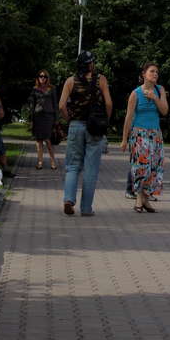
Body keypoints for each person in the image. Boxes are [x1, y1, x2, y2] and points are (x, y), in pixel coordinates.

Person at [58, 50, 112, 216]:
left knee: (72, 166)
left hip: (75, 126)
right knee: (91, 169)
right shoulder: (100, 80)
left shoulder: (70, 81)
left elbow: (61, 106)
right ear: (91, 64)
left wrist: (70, 119)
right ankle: (86, 209)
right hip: (94, 128)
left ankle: (68, 199)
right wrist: (105, 121)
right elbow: (109, 103)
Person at [120, 62, 168, 213]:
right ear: (144, 74)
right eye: (152, 71)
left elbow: (164, 111)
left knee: (154, 167)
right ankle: (139, 198)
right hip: (139, 134)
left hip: (155, 134)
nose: (155, 74)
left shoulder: (160, 90)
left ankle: (146, 198)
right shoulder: (136, 93)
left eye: (157, 72)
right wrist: (124, 139)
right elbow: (128, 117)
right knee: (142, 167)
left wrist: (155, 98)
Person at [27, 70, 58, 170]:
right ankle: (40, 162)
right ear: (38, 78)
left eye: (44, 76)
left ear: (47, 78)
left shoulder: (52, 89)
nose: (42, 78)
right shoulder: (34, 89)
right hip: (37, 117)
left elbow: (55, 105)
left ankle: (53, 161)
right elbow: (32, 105)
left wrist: (56, 119)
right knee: (38, 141)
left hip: (49, 117)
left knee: (48, 140)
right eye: (40, 76)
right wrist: (31, 120)